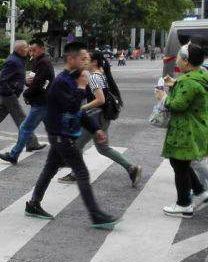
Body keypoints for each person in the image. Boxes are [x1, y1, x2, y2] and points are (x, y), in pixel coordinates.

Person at [24, 42, 120, 229]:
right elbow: (72, 106)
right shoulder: (62, 82)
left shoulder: (74, 78)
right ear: (71, 59)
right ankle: (96, 215)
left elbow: (78, 112)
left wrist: (95, 129)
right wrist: (81, 86)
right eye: (82, 59)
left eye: (87, 59)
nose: (86, 62)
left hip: (64, 132)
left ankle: (33, 204)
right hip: (62, 135)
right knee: (82, 173)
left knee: (50, 169)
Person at [58, 50, 143, 185]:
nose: (84, 62)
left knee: (77, 145)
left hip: (95, 117)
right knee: (103, 148)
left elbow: (100, 99)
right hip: (102, 117)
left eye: (86, 59)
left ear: (94, 62)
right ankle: (132, 169)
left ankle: (76, 174)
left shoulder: (93, 77)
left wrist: (82, 108)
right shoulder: (100, 75)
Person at [155, 44, 208, 217]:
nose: (176, 59)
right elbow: (190, 93)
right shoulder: (200, 76)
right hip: (195, 126)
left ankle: (183, 204)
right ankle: (200, 192)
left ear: (185, 62)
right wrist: (176, 83)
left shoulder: (189, 82)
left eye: (178, 56)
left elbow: (178, 105)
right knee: (181, 162)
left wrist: (163, 97)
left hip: (186, 129)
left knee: (179, 163)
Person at [0, 40, 44, 151]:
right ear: (20, 49)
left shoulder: (18, 59)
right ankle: (32, 143)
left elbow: (15, 77)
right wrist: (10, 92)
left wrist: (23, 81)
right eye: (26, 47)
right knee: (22, 118)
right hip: (9, 95)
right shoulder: (12, 61)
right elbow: (2, 80)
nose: (28, 49)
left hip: (9, 95)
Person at [0, 39, 55, 164]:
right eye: (30, 50)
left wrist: (26, 93)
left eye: (34, 50)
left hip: (41, 101)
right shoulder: (38, 62)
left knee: (25, 128)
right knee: (53, 130)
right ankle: (65, 154)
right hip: (43, 101)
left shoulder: (44, 63)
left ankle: (14, 155)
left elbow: (39, 84)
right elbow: (33, 81)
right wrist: (27, 83)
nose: (31, 52)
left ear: (42, 49)